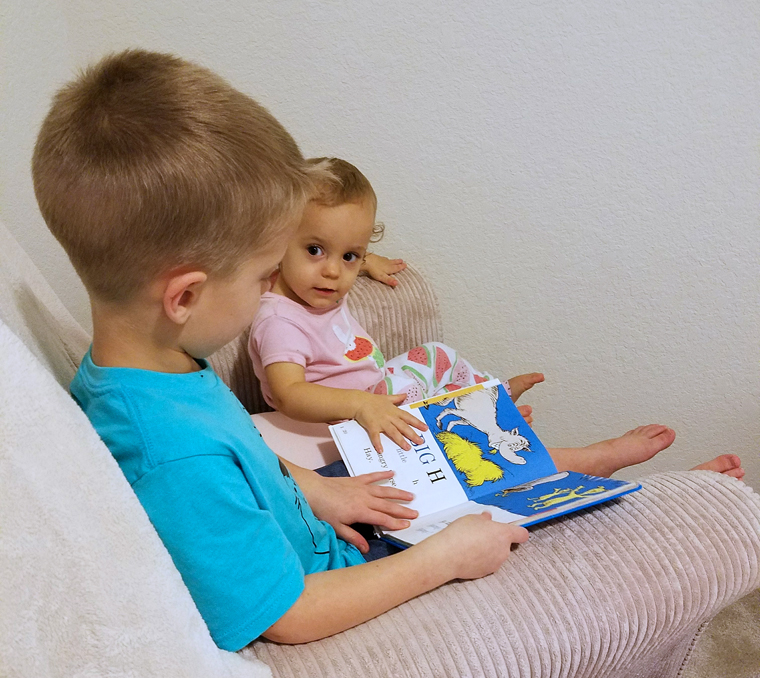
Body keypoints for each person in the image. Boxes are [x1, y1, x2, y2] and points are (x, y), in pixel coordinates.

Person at [31, 48, 536, 651]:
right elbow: (287, 615)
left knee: (483, 462)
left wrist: (316, 489)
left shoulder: (155, 366)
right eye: (265, 274)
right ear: (186, 295)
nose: (273, 290)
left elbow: (242, 449)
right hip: (333, 589)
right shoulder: (171, 455)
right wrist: (446, 559)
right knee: (494, 521)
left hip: (327, 517)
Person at [248, 157, 746, 482]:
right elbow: (289, 392)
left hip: (377, 400)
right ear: (278, 243)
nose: (333, 270)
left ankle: (488, 403)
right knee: (463, 428)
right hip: (347, 422)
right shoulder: (279, 318)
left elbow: (340, 254)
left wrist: (368, 261)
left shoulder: (326, 280)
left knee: (435, 359)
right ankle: (569, 448)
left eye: (350, 255)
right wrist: (361, 406)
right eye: (315, 249)